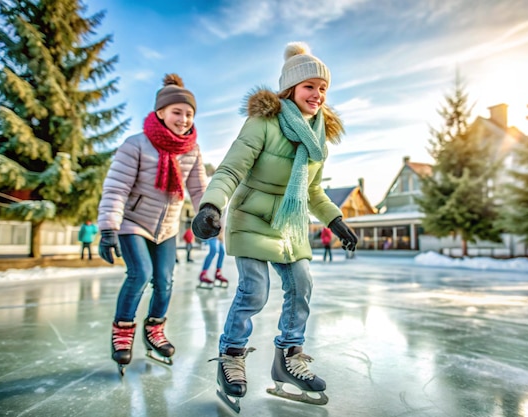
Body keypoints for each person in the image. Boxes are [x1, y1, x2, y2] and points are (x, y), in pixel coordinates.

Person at [191, 42, 358, 412]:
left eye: (323, 88)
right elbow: (231, 169)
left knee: (302, 285)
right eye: (309, 86)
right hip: (250, 216)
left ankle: (288, 358)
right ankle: (231, 357)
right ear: (291, 89)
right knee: (255, 290)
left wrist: (336, 220)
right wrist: (210, 205)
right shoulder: (263, 123)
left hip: (289, 224)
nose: (317, 95)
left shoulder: (318, 141)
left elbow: (313, 190)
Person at [97, 74, 207, 375]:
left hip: (168, 227)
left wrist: (209, 214)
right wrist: (108, 229)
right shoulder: (136, 144)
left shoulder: (192, 150)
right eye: (177, 112)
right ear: (160, 112)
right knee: (141, 274)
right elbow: (116, 188)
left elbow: (198, 189)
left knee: (166, 280)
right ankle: (123, 331)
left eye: (189, 114)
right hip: (133, 223)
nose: (184, 119)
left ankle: (154, 330)